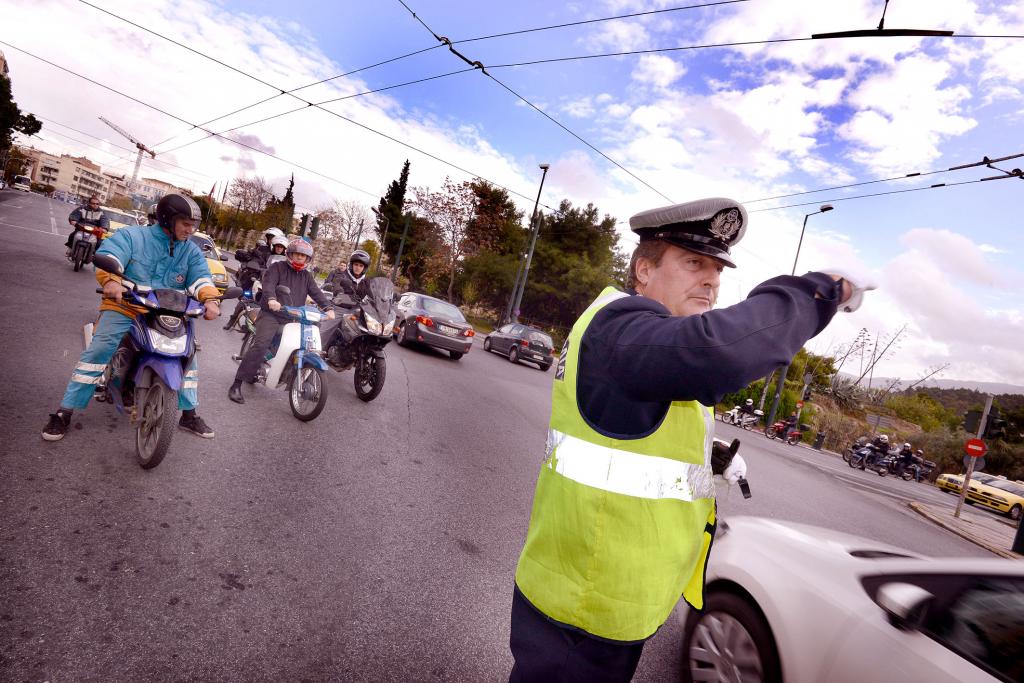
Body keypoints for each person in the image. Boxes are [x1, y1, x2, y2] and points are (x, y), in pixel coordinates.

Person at [509, 197, 873, 682]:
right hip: (585, 604)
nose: (712, 280)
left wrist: (711, 457)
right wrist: (822, 291)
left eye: (718, 269)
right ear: (643, 270)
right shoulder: (623, 328)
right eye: (694, 263)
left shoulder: (636, 335)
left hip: (601, 594)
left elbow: (626, 425)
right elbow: (719, 352)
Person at [42, 193, 221, 441]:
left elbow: (201, 278)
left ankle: (188, 415)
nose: (191, 230)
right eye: (186, 224)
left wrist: (210, 299)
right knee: (99, 350)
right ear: (168, 219)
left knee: (189, 359)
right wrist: (113, 281)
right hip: (127, 306)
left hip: (169, 311)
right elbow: (110, 256)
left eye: (194, 225)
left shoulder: (190, 251)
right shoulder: (133, 236)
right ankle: (65, 411)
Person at [228, 238, 335, 404]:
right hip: (272, 314)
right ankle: (236, 384)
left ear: (308, 259)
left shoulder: (306, 276)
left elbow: (316, 293)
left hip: (294, 316)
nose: (300, 258)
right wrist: (271, 299)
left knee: (306, 345)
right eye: (297, 254)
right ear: (290, 254)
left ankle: (300, 377)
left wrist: (328, 308)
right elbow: (269, 284)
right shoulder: (277, 267)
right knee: (261, 344)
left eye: (303, 256)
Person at [224, 227, 286, 330]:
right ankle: (232, 319)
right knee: (246, 298)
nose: (271, 240)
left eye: (273, 238)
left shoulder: (285, 257)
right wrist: (255, 265)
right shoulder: (262, 249)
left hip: (274, 284)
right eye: (270, 238)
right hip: (259, 278)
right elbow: (255, 261)